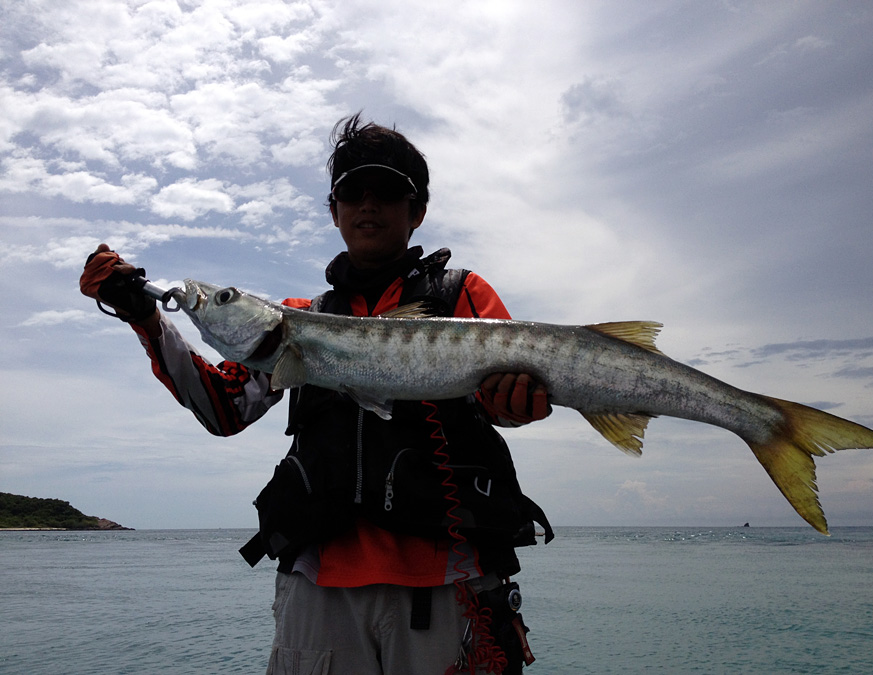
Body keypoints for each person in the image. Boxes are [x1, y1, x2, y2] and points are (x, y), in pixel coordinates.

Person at [81, 114, 554, 675]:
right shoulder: (297, 322)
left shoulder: (463, 295)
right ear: (334, 211)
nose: (367, 204)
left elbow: (508, 400)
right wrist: (146, 320)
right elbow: (222, 408)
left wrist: (515, 406)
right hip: (317, 588)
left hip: (448, 585)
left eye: (389, 192)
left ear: (418, 210)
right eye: (352, 191)